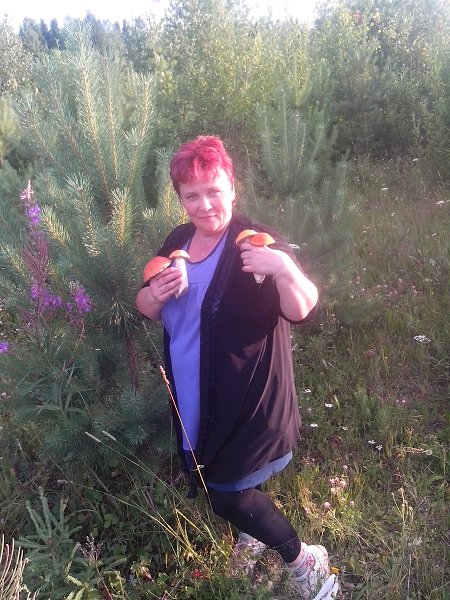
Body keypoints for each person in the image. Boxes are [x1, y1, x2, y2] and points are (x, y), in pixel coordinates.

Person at [136, 135, 338, 599]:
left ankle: (304, 562)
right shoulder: (177, 241)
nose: (205, 205)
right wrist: (154, 294)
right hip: (194, 395)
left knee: (226, 494)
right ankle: (252, 536)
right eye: (192, 195)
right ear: (180, 198)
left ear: (232, 187)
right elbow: (145, 307)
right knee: (217, 479)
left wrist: (283, 269)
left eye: (214, 191)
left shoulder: (255, 240)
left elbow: (303, 308)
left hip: (249, 397)